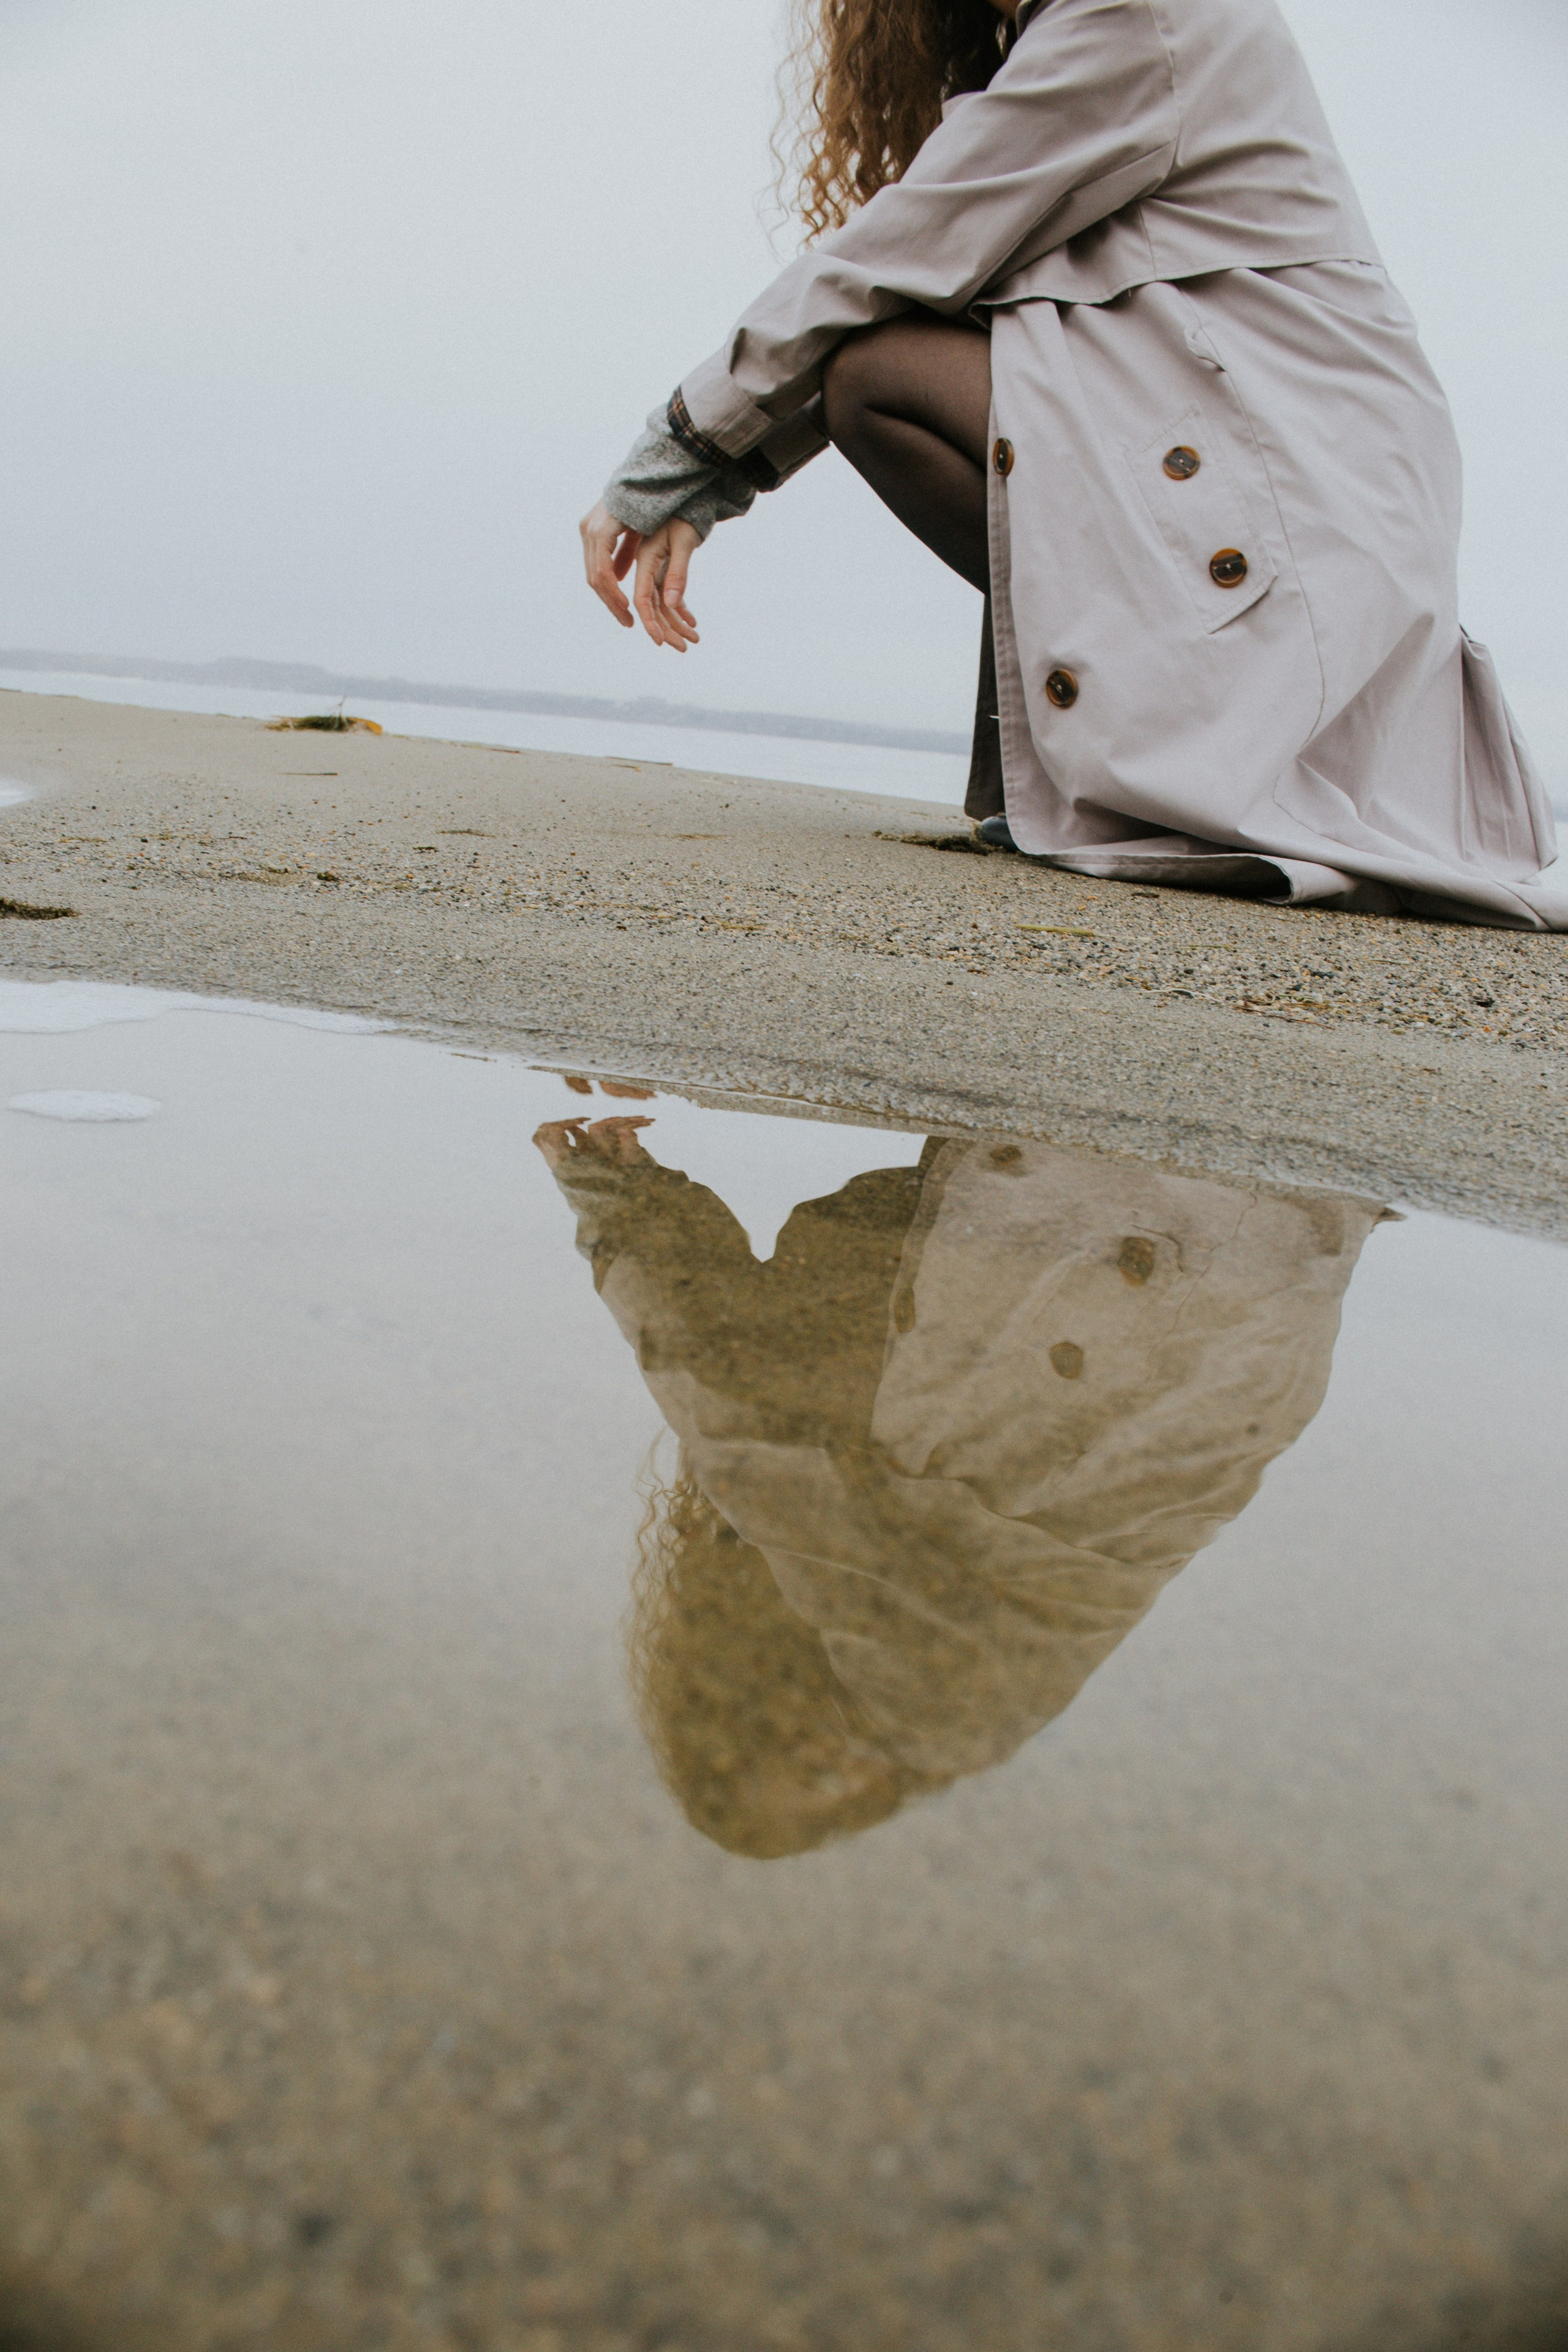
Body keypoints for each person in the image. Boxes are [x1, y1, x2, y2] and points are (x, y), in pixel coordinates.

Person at [579, 0, 1562, 930]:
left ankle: (1150, 749)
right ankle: (1117, 755)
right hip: (1322, 495)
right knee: (937, 373)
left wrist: (678, 457)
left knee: (880, 376)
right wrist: (717, 477)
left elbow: (891, 258)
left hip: (1302, 508)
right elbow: (928, 283)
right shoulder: (1059, 42)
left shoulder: (1136, 19)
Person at [534, 1110, 1383, 1856]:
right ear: (873, 1802)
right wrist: (623, 1213)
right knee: (786, 1442)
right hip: (1167, 1311)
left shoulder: (841, 1613)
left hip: (1181, 1319)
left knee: (794, 1419)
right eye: (831, 1789)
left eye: (780, 1756)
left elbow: (738, 1411)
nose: (824, 1757)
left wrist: (634, 1216)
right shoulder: (942, 1723)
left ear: (732, 1702)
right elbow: (742, 1439)